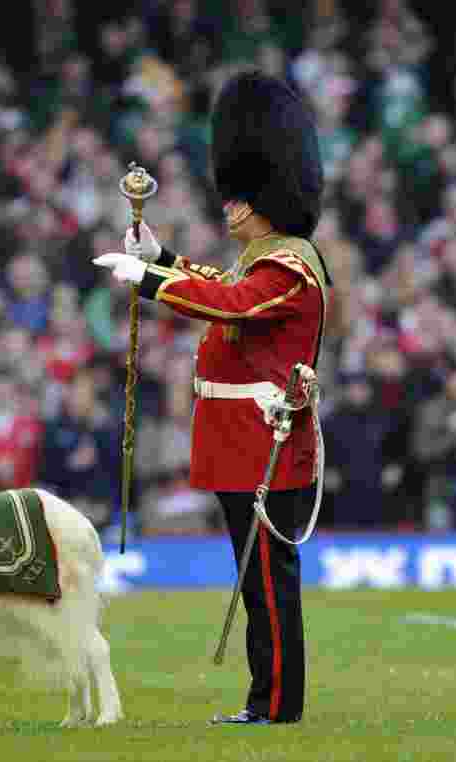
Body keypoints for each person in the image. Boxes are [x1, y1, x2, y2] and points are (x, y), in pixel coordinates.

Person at [94, 70, 330, 725]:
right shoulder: (265, 256)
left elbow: (231, 302)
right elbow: (216, 280)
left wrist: (148, 282)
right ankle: (269, 699)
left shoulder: (290, 265)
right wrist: (162, 255)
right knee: (257, 580)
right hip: (242, 443)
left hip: (267, 443)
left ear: (266, 199)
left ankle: (276, 703)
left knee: (267, 581)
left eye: (237, 199)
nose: (228, 209)